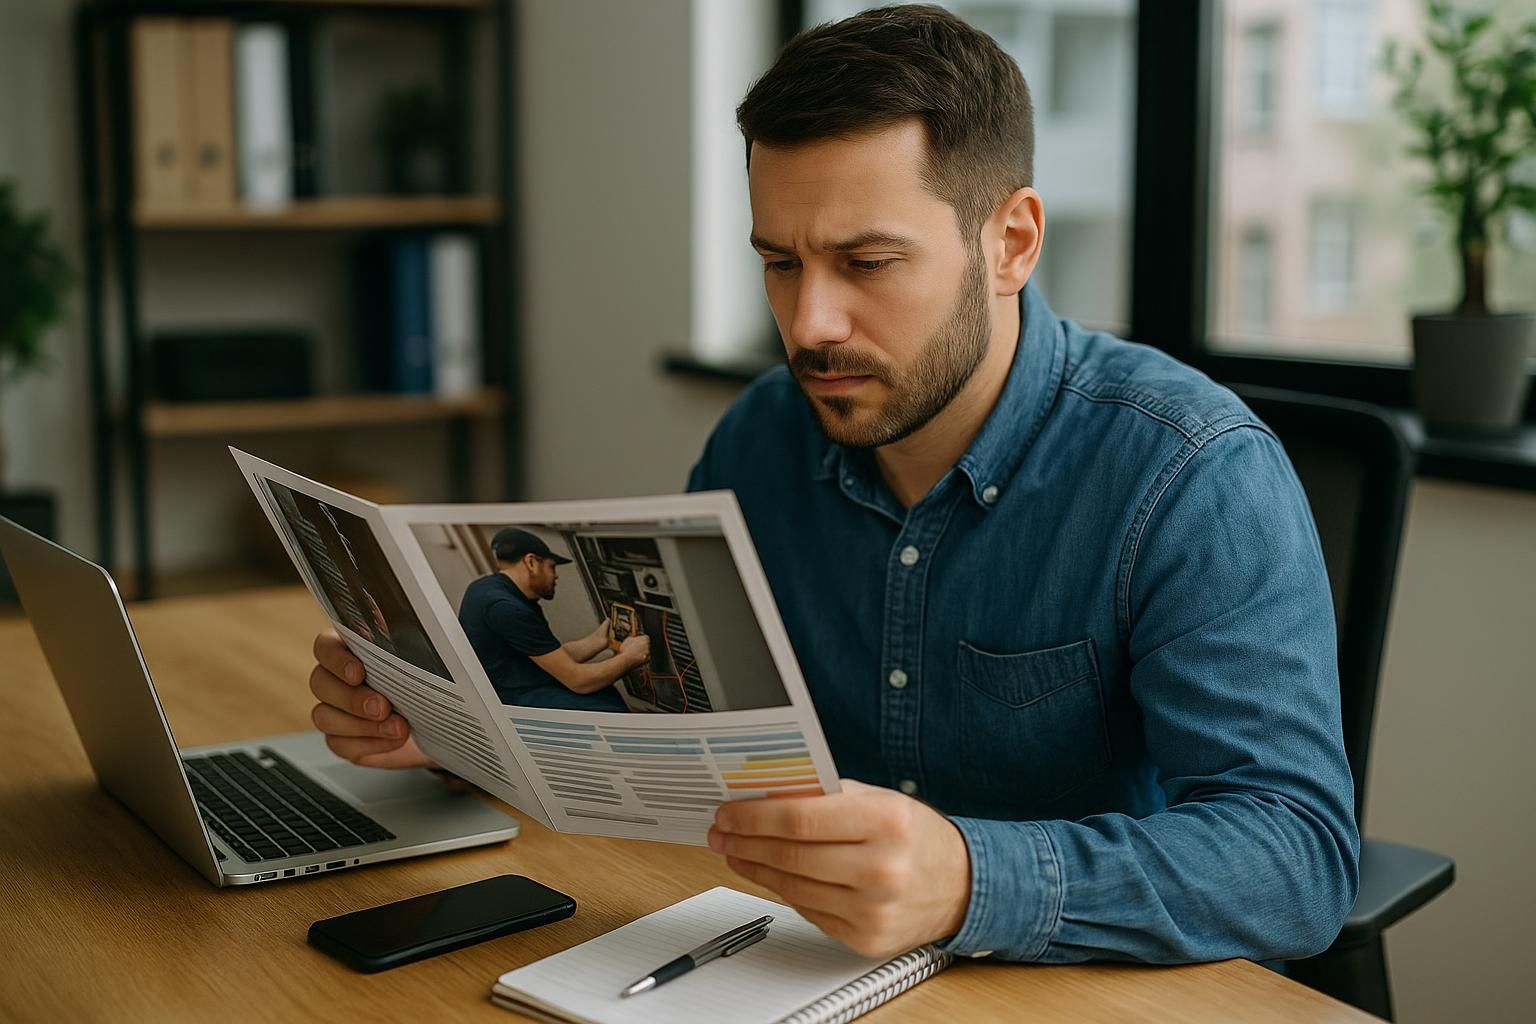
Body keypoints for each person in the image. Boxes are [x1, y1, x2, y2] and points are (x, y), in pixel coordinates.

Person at [306, 4, 1357, 966]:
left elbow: (1296, 857)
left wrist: (971, 880)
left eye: (866, 263)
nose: (809, 326)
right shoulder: (763, 437)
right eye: (781, 262)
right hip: (785, 965)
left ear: (1012, 241)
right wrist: (453, 732)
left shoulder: (1191, 472)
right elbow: (661, 730)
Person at [456, 527, 649, 712]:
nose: (555, 576)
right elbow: (579, 682)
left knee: (605, 692)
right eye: (552, 567)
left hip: (512, 679)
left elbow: (549, 655)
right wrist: (629, 658)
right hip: (510, 699)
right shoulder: (507, 608)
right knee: (606, 708)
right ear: (531, 562)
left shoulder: (485, 588)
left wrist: (598, 641)